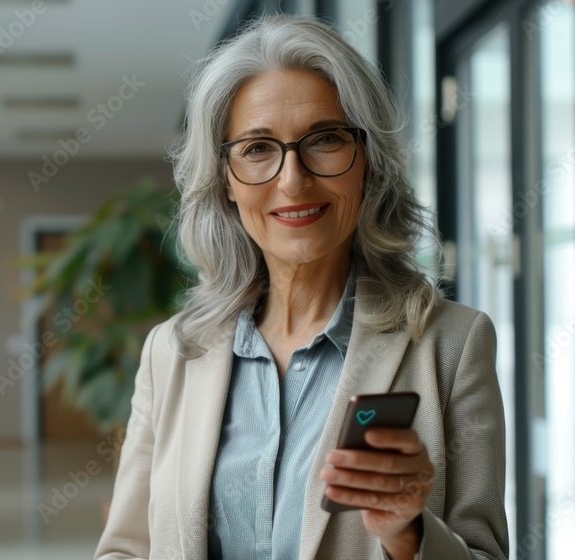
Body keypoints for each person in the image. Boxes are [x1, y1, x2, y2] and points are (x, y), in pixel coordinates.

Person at [95, 14, 508, 560]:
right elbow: (125, 550)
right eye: (257, 148)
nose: (293, 179)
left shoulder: (451, 346)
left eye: (326, 139)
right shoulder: (170, 354)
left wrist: (408, 534)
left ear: (369, 162)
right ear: (225, 179)